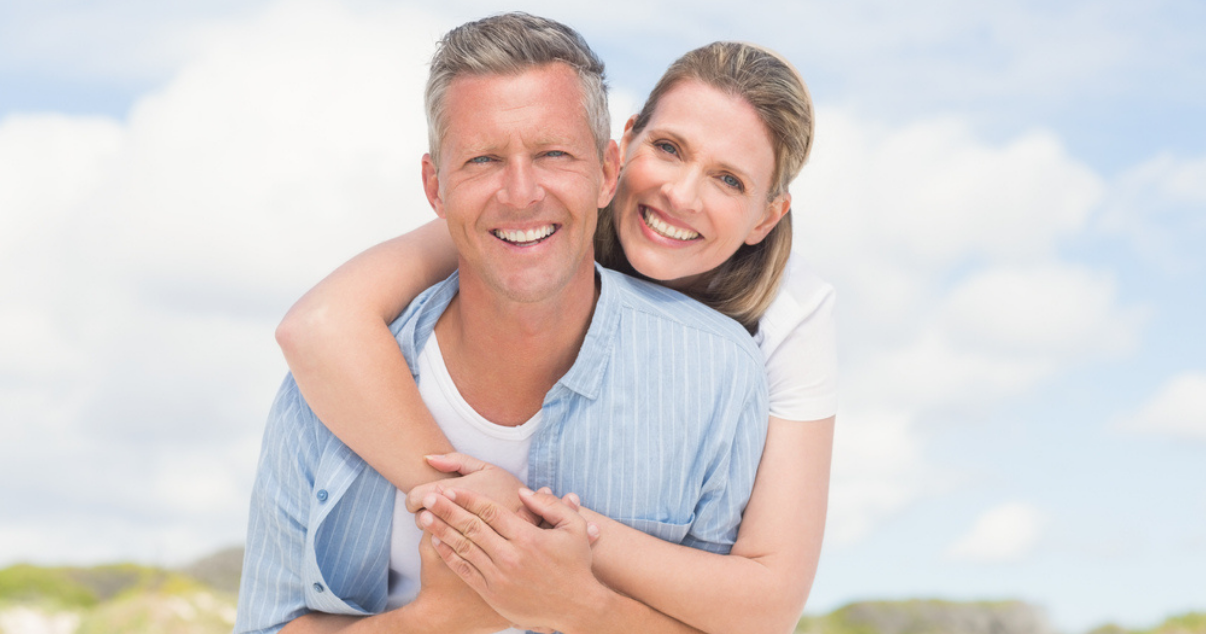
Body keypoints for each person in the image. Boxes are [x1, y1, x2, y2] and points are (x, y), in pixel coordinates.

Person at [277, 29, 837, 634]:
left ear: (767, 215)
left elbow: (768, 602)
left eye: (729, 180)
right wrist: (469, 505)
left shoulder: (786, 320)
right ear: (621, 149)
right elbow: (320, 325)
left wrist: (529, 538)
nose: (681, 193)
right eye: (670, 148)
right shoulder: (530, 218)